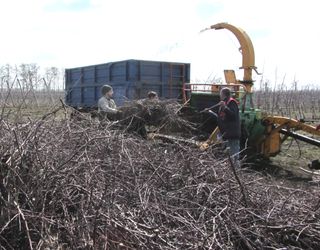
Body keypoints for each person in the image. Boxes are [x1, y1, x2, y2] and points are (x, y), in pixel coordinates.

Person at [207, 87, 241, 165]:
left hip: (232, 135)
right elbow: (222, 119)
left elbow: (233, 116)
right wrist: (211, 112)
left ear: (224, 95)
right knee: (227, 157)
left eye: (221, 94)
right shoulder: (225, 103)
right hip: (226, 135)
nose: (220, 96)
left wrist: (224, 107)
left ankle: (237, 172)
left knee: (234, 157)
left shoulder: (232, 103)